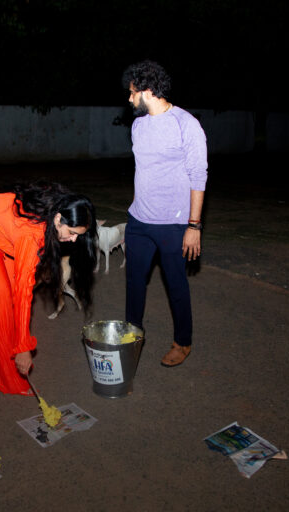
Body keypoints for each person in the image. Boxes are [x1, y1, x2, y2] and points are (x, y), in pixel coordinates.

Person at [0, 181, 97, 395]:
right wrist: (23, 347)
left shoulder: (56, 210)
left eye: (78, 235)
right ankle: (7, 379)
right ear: (58, 219)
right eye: (72, 232)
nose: (73, 240)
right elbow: (24, 292)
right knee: (0, 297)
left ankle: (4, 352)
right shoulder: (32, 235)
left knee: (9, 295)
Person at [121, 59, 208, 367]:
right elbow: (141, 171)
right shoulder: (138, 125)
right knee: (134, 283)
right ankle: (133, 335)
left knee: (176, 285)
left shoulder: (186, 125)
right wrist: (134, 210)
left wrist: (193, 225)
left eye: (132, 93)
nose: (129, 99)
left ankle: (182, 342)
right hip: (139, 222)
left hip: (173, 224)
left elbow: (199, 175)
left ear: (147, 90)